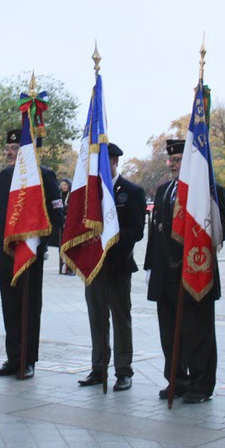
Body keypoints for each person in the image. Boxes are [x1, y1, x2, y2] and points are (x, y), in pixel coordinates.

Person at [144, 138, 225, 404]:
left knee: (198, 331)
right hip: (165, 273)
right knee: (170, 332)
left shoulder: (209, 190)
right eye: (171, 160)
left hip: (194, 270)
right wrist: (150, 265)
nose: (172, 165)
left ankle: (201, 384)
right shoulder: (164, 190)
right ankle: (177, 380)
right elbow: (155, 232)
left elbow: (218, 230)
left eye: (178, 160)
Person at [0, 129, 64, 379]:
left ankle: (28, 359)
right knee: (9, 306)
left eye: (15, 149)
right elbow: (2, 215)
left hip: (31, 252)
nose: (9, 153)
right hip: (7, 252)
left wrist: (40, 240)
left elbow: (57, 215)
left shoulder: (44, 176)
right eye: (8, 149)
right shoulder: (3, 177)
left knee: (30, 307)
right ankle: (13, 358)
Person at [77, 144, 146, 392]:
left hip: (118, 265)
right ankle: (98, 368)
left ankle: (123, 371)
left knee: (120, 319)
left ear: (115, 161)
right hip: (93, 266)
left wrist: (111, 244)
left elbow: (136, 231)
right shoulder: (89, 193)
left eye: (106, 161)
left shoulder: (131, 192)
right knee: (97, 319)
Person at [53, 177, 74, 275]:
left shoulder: (72, 195)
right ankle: (61, 265)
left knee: (69, 245)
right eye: (62, 185)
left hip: (70, 223)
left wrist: (65, 208)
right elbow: (55, 206)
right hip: (60, 223)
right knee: (61, 245)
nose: (63, 186)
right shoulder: (58, 194)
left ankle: (70, 267)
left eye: (65, 185)